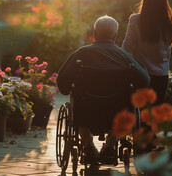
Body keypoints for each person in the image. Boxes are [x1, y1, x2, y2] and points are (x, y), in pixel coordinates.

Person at [57, 15, 150, 165]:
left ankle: (87, 145)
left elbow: (62, 85)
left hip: (85, 113)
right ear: (115, 35)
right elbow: (145, 82)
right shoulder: (125, 57)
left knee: (77, 100)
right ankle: (110, 146)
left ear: (94, 33)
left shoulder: (80, 54)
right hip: (116, 113)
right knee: (125, 102)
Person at [122, 0, 172, 104]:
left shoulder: (135, 21)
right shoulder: (168, 23)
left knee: (141, 116)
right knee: (156, 117)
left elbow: (127, 49)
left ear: (145, 0)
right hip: (162, 77)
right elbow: (168, 54)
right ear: (164, 2)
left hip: (141, 76)